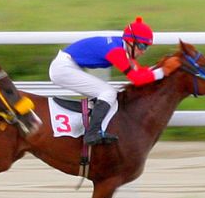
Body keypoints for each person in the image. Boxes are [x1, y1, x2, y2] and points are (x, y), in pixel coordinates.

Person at [49, 18, 163, 146]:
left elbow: (140, 71)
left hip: (67, 65)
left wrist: (159, 69)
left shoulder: (122, 46)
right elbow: (136, 78)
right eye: (142, 46)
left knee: (104, 93)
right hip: (63, 69)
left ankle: (90, 126)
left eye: (146, 47)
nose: (143, 51)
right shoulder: (116, 51)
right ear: (131, 42)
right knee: (108, 92)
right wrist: (164, 71)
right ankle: (92, 133)